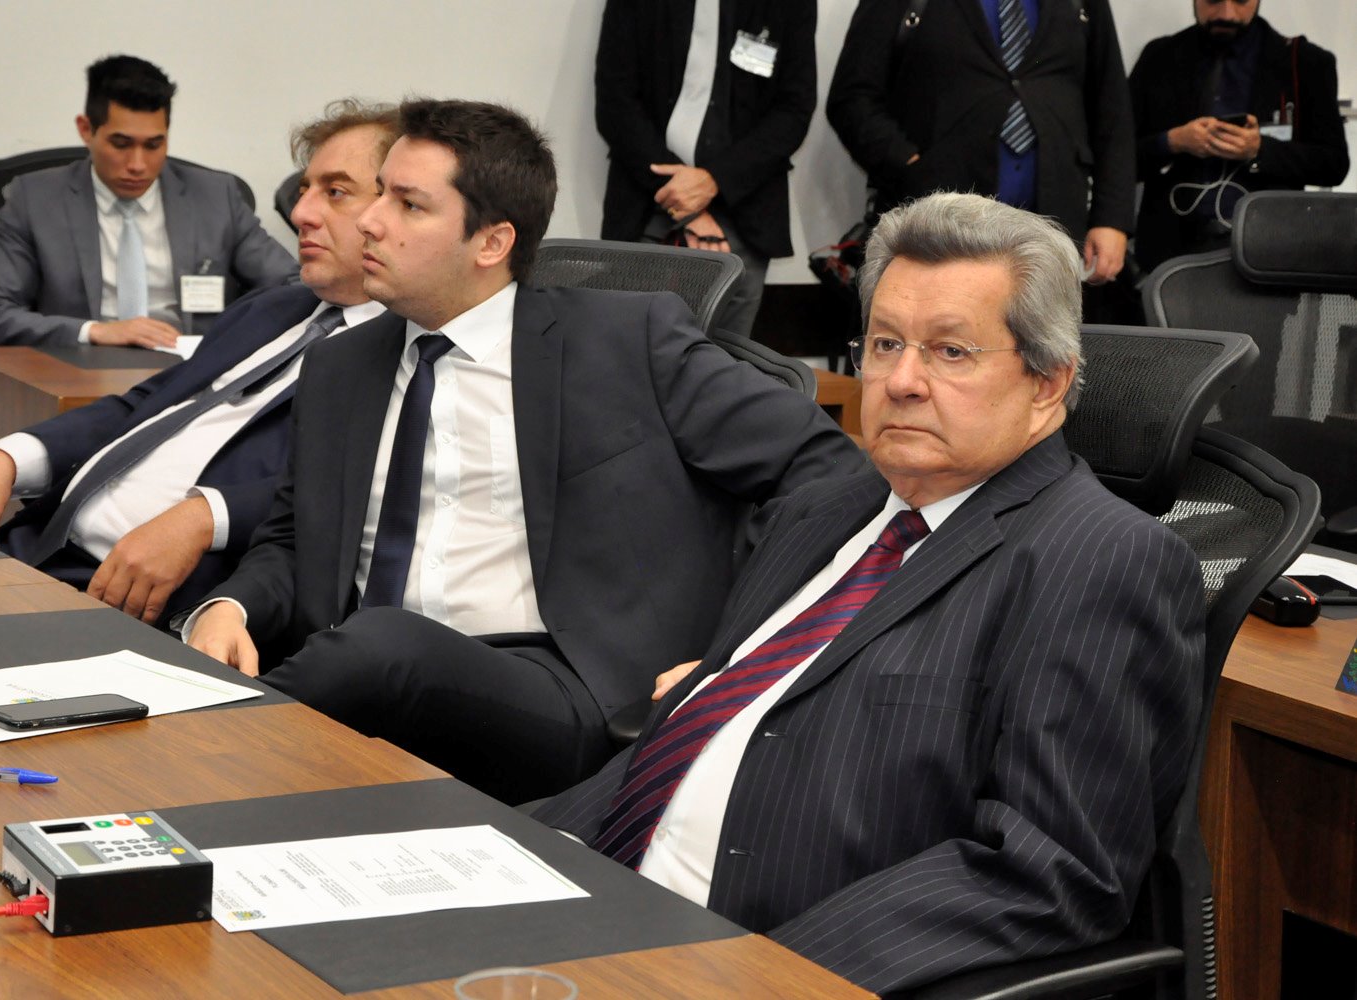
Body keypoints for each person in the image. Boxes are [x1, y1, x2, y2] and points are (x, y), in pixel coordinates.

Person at [533, 192, 1205, 994]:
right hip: (598, 898)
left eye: (951, 352)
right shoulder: (827, 507)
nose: (902, 381)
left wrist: (771, 981)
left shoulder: (1102, 561)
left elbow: (1050, 867)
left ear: (1046, 384)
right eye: (886, 344)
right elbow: (713, 722)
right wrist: (517, 849)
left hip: (752, 957)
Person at [184, 98, 860, 805]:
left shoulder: (626, 341)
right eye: (379, 192)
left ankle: (197, 752)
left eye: (408, 204)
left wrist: (739, 651)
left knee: (383, 647)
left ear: (491, 243)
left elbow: (828, 471)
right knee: (362, 652)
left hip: (565, 688)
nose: (371, 221)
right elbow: (293, 538)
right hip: (361, 684)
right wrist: (229, 607)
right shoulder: (341, 365)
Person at [0, 100, 399, 626]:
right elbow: (146, 405)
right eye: (305, 189)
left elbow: (357, 485)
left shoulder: (406, 353)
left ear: (399, 207)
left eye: (335, 192)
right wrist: (10, 456)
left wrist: (207, 516)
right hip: (40, 546)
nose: (299, 214)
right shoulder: (273, 307)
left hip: (157, 603)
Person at [0, 54, 297, 348]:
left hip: (192, 375)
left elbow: (293, 287)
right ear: (86, 129)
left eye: (153, 145)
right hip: (79, 372)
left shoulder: (216, 197)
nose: (137, 164)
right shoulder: (36, 200)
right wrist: (94, 332)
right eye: (120, 144)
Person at [825, 0, 1134, 287]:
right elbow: (852, 98)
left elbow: (1113, 111)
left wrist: (1111, 218)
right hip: (932, 233)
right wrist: (910, 166)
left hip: (1054, 234)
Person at [593, 0, 817, 337]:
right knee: (629, 353)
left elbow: (795, 109)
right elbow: (615, 101)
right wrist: (683, 200)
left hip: (744, 215)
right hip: (647, 203)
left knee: (723, 364)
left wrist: (714, 180)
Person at [1129, 0, 1350, 272]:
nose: (1227, 13)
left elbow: (1334, 165)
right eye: (1213, 0)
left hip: (1269, 254)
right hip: (1169, 255)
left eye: (1240, 0)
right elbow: (1117, 159)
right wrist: (1172, 142)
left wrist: (1260, 150)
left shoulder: (1305, 63)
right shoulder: (1159, 58)